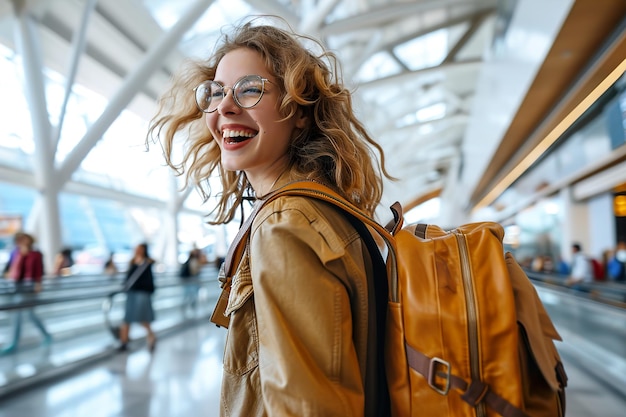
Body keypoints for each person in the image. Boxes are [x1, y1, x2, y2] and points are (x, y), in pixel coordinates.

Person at [147, 18, 393, 416]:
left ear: (298, 110)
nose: (224, 107)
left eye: (249, 90)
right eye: (215, 92)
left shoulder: (287, 224)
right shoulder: (323, 207)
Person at [1, 232, 51, 354]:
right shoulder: (16, 253)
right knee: (23, 315)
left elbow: (39, 271)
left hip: (29, 288)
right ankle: (15, 342)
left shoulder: (36, 254)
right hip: (16, 286)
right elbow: (9, 269)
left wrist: (38, 284)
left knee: (26, 315)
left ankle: (14, 343)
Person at [118, 243, 156, 352]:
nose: (137, 251)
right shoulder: (133, 262)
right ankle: (123, 342)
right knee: (127, 318)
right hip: (132, 294)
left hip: (142, 294)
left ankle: (151, 337)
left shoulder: (147, 263)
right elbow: (128, 278)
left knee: (143, 319)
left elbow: (148, 281)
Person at [179, 248, 205, 316]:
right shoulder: (194, 261)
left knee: (189, 295)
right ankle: (191, 308)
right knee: (191, 296)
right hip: (192, 281)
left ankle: (188, 308)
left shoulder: (189, 261)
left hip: (190, 281)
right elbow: (194, 271)